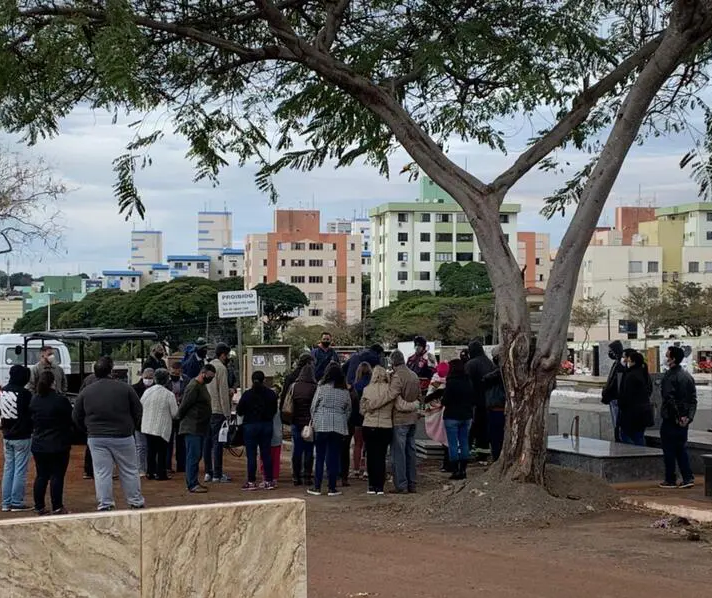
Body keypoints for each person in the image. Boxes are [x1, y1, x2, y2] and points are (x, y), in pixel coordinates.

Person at [73, 356, 145, 511]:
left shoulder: (86, 391)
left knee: (101, 472)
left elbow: (76, 416)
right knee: (130, 470)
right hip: (123, 436)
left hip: (97, 437)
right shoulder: (125, 388)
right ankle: (135, 501)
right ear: (111, 370)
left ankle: (105, 504)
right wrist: (132, 427)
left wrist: (88, 430)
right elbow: (138, 410)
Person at [29, 370, 73, 515]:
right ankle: (57, 506)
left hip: (39, 443)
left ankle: (39, 506)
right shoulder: (60, 400)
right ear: (53, 382)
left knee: (41, 475)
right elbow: (69, 419)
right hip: (58, 443)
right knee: (57, 475)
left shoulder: (35, 400)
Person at [309, 363, 351, 497]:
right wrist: (343, 419)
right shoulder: (344, 391)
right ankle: (332, 488)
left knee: (320, 456)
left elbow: (313, 406)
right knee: (333, 457)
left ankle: (317, 486)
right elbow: (348, 409)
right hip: (338, 426)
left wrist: (315, 420)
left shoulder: (321, 388)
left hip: (321, 424)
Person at [659, 346, 697, 489]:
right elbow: (693, 399)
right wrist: (688, 417)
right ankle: (687, 477)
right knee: (681, 448)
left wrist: (678, 416)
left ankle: (670, 479)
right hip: (684, 419)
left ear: (673, 359)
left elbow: (669, 399)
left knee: (669, 449)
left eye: (667, 355)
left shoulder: (670, 376)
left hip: (671, 419)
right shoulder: (687, 376)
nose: (666, 358)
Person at [236, 370, 278, 491]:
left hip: (250, 426)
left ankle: (251, 481)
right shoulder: (270, 394)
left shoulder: (247, 394)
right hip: (266, 426)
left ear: (251, 380)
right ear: (264, 380)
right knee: (266, 454)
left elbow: (239, 410)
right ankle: (268, 480)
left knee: (251, 455)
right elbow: (274, 410)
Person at [177, 364, 215, 493]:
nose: (211, 379)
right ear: (203, 373)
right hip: (192, 426)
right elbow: (184, 405)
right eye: (210, 376)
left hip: (199, 426)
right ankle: (192, 484)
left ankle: (194, 482)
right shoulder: (193, 386)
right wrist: (177, 418)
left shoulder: (201, 386)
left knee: (196, 455)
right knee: (193, 455)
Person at [1, 365, 33, 512]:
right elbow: (30, 414)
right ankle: (16, 502)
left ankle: (6, 502)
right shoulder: (25, 393)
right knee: (20, 470)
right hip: (22, 436)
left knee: (8, 469)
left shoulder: (3, 392)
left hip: (6, 434)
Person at [389, 349, 421, 493]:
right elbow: (420, 396)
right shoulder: (414, 375)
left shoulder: (397, 377)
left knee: (399, 454)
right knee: (411, 451)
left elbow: (392, 396)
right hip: (413, 418)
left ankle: (401, 484)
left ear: (392, 362)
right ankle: (412, 483)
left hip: (399, 419)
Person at [360, 365, 394, 495]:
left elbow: (362, 410)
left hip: (369, 425)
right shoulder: (390, 390)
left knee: (371, 455)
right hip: (386, 426)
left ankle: (371, 485)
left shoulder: (367, 390)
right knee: (381, 456)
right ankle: (380, 486)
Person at [141, 368, 178, 481]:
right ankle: (160, 473)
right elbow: (175, 413)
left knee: (150, 450)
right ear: (167, 380)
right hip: (162, 427)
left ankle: (150, 472)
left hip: (147, 425)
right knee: (162, 451)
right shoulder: (169, 395)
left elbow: (141, 404)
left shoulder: (147, 391)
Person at [441, 359, 475, 480]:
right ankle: (463, 470)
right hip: (466, 415)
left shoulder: (451, 382)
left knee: (453, 444)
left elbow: (445, 400)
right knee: (464, 442)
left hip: (451, 416)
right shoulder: (468, 381)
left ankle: (455, 470)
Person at [204, 342, 232, 483]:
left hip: (206, 410)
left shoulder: (207, 367)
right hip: (217, 410)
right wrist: (227, 413)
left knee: (207, 443)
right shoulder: (221, 368)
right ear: (223, 355)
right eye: (227, 355)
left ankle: (208, 472)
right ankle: (217, 474)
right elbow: (223, 393)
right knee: (217, 443)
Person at [465, 341, 495, 464]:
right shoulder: (489, 363)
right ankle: (483, 454)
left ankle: (467, 452)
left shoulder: (471, 364)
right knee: (484, 429)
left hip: (474, 402)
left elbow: (467, 384)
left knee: (471, 428)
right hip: (489, 402)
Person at [288, 363, 318, 486]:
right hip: (309, 423)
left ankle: (296, 476)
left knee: (297, 449)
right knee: (309, 450)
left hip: (295, 421)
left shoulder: (294, 386)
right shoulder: (315, 387)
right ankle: (307, 476)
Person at [618, 351, 653, 446]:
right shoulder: (644, 374)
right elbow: (649, 391)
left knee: (626, 436)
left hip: (632, 413)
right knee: (639, 436)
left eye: (628, 360)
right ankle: (642, 456)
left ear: (632, 362)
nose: (626, 362)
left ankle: (637, 456)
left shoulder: (630, 375)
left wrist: (621, 405)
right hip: (644, 411)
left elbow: (626, 394)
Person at [347, 362, 372, 480]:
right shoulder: (371, 387)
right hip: (368, 417)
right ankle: (367, 471)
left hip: (356, 418)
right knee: (368, 445)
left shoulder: (354, 387)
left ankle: (356, 469)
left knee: (357, 444)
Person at [425, 361, 451, 473]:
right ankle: (450, 463)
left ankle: (447, 464)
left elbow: (429, 397)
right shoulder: (451, 380)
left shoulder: (435, 380)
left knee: (444, 438)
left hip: (437, 412)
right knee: (450, 439)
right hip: (449, 411)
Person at [482, 349, 506, 461]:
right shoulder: (497, 372)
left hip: (498, 407)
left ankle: (497, 457)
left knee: (497, 436)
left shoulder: (500, 373)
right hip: (494, 407)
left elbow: (487, 378)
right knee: (494, 435)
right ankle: (496, 456)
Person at [601, 340, 626, 442]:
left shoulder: (620, 366)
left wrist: (607, 392)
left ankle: (619, 439)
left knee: (617, 422)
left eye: (610, 350)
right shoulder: (616, 364)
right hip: (612, 398)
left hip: (615, 398)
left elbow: (616, 383)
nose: (609, 353)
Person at [132, 368, 155, 476]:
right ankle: (141, 468)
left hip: (152, 421)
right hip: (139, 422)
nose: (148, 380)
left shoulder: (156, 389)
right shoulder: (134, 388)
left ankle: (150, 467)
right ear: (142, 377)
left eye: (150, 378)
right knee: (140, 446)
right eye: (146, 378)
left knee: (151, 446)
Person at [166, 362, 189, 473]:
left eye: (177, 372)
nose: (174, 374)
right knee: (168, 441)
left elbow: (189, 394)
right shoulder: (165, 380)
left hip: (181, 414)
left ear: (181, 371)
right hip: (168, 415)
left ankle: (182, 465)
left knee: (181, 442)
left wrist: (181, 399)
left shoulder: (186, 380)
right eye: (172, 372)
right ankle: (167, 466)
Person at [261, 402, 283, 488]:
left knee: (264, 458)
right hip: (277, 436)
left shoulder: (262, 407)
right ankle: (274, 479)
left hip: (264, 436)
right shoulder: (276, 408)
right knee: (275, 459)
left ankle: (265, 478)